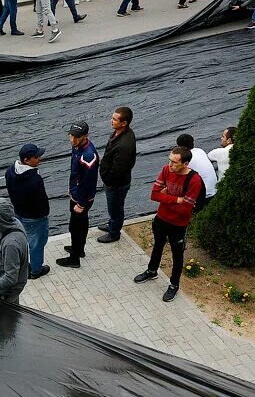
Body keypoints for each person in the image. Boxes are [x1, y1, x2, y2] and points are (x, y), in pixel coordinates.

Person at [134, 146, 202, 302]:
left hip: (178, 225)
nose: (170, 165)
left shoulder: (194, 180)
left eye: (174, 162)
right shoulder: (166, 170)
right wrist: (176, 199)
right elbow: (153, 195)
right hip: (161, 219)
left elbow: (185, 210)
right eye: (170, 160)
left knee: (177, 255)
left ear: (185, 163)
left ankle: (174, 285)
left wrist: (165, 197)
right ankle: (152, 271)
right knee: (157, 246)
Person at [55, 121, 98, 269]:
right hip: (77, 193)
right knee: (82, 222)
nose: (73, 140)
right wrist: (71, 188)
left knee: (75, 226)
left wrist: (81, 203)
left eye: (77, 137)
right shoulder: (77, 147)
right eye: (71, 136)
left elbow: (88, 182)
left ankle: (74, 258)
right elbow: (76, 173)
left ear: (85, 136)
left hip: (82, 198)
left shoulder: (88, 155)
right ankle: (79, 249)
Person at [5, 143, 50, 279]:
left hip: (18, 213)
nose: (39, 159)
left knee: (21, 241)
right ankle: (36, 270)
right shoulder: (34, 180)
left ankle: (21, 266)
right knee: (37, 243)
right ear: (26, 160)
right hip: (35, 217)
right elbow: (42, 201)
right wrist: (45, 213)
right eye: (36, 157)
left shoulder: (10, 171)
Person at [97, 106, 136, 243]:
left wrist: (107, 180)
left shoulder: (124, 144)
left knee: (116, 208)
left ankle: (114, 233)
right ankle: (112, 224)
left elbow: (119, 169)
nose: (111, 121)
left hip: (116, 184)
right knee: (113, 207)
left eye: (114, 119)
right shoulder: (119, 133)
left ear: (124, 123)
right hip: (114, 181)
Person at [176, 133, 216, 207]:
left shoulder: (185, 159)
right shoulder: (200, 151)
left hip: (203, 197)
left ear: (179, 147)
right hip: (215, 191)